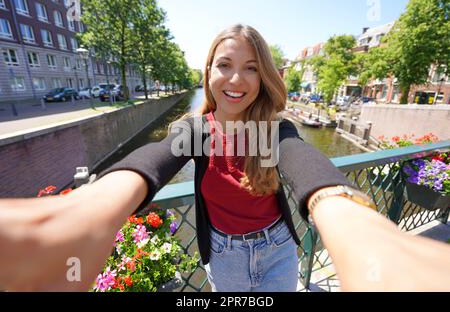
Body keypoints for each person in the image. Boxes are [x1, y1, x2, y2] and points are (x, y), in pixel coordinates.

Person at [0, 24, 449, 292]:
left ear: (264, 76)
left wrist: (361, 228)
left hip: (277, 252)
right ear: (209, 73)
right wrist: (89, 209)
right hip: (227, 258)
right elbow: (157, 157)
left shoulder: (275, 129)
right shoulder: (196, 130)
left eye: (252, 67)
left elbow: (300, 159)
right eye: (225, 65)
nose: (237, 79)